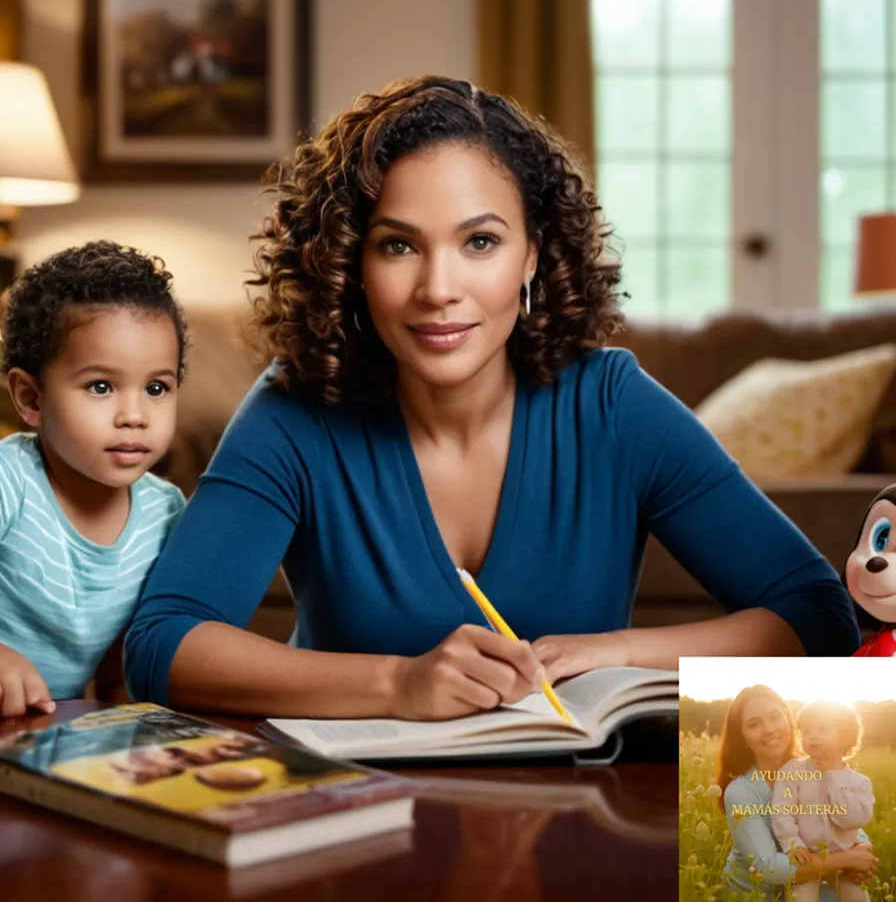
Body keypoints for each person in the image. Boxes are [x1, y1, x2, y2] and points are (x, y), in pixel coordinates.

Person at [124, 75, 860, 720]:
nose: (439, 289)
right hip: (350, 817)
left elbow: (817, 615)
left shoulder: (611, 404)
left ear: (533, 253)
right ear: (352, 262)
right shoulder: (296, 411)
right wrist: (397, 684)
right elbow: (163, 644)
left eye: (480, 242)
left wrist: (622, 653)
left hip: (571, 821)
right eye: (399, 245)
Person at [0, 241, 188, 717]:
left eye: (156, 388)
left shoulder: (166, 513)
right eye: (100, 386)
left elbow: (125, 653)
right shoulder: (9, 481)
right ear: (31, 398)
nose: (134, 415)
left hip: (46, 725)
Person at [717, 686, 878, 899]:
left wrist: (862, 846)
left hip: (810, 879)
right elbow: (768, 868)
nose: (769, 729)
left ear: (788, 720)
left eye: (775, 717)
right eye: (754, 724)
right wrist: (850, 859)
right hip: (757, 894)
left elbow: (836, 817)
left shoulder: (814, 766)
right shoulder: (740, 792)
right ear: (743, 738)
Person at [770, 700, 874, 901]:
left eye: (822, 729)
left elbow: (852, 820)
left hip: (845, 863)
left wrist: (832, 777)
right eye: (807, 731)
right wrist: (794, 844)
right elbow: (782, 811)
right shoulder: (793, 772)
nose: (813, 736)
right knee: (800, 897)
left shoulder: (859, 783)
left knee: (858, 897)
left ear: (845, 737)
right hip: (807, 858)